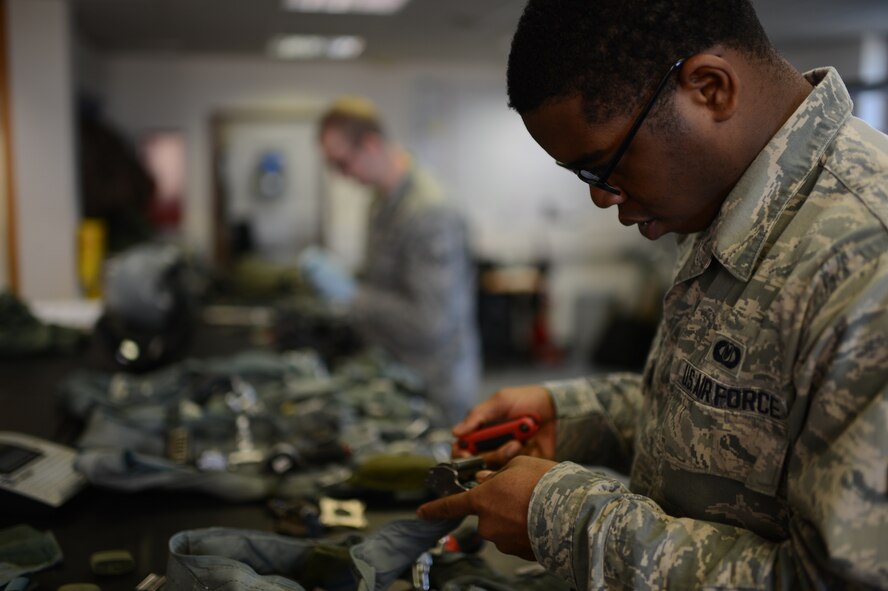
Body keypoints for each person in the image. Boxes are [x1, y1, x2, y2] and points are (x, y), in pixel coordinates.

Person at [417, 1, 888, 589]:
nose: (602, 199)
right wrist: (580, 417)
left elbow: (837, 581)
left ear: (710, 89)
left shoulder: (868, 259)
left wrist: (567, 520)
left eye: (604, 167)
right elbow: (736, 426)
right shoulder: (723, 204)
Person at [301, 96, 481, 424]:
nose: (340, 175)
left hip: (432, 390)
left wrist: (353, 296)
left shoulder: (429, 211)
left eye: (342, 163)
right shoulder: (380, 200)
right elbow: (385, 280)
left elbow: (429, 321)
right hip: (392, 372)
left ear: (370, 145)